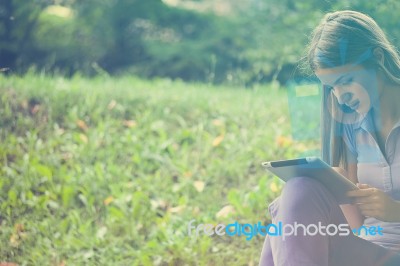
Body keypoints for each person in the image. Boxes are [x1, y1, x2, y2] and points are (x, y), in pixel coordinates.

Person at [259, 10, 400, 266]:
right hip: (371, 252)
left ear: (377, 58)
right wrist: (335, 189)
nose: (340, 96)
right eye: (332, 87)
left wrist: (395, 211)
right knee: (299, 189)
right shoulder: (352, 124)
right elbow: (355, 227)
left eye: (347, 81)